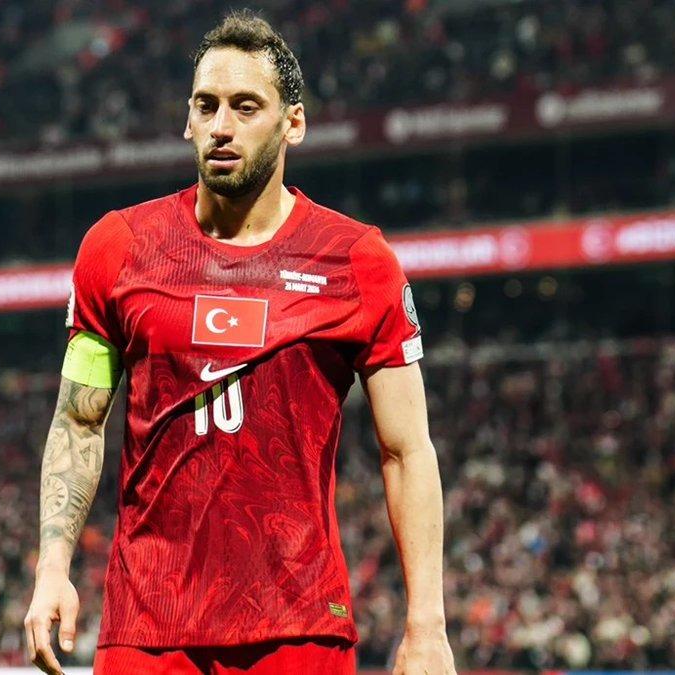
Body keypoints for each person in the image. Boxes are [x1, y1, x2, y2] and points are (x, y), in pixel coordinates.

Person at [24, 10, 454, 675]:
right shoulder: (118, 248)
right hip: (147, 626)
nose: (221, 125)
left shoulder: (357, 262)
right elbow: (78, 421)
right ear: (187, 120)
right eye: (207, 105)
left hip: (298, 628)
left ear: (293, 123)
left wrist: (426, 626)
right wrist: (53, 567)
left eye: (246, 106)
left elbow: (407, 450)